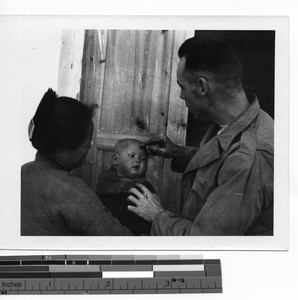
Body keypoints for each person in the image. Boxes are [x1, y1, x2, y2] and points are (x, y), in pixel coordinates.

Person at [127, 36, 274, 236]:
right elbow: (222, 162)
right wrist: (177, 153)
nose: (181, 95)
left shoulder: (250, 159)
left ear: (203, 87)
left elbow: (202, 241)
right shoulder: (238, 122)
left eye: (182, 87)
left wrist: (157, 215)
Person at [21, 88, 132, 236]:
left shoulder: (22, 172)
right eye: (87, 143)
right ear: (61, 151)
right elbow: (120, 241)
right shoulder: (72, 191)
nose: (91, 146)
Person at [96, 139, 154, 235]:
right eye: (132, 156)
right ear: (116, 159)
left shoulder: (146, 188)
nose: (138, 160)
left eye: (143, 159)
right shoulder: (105, 182)